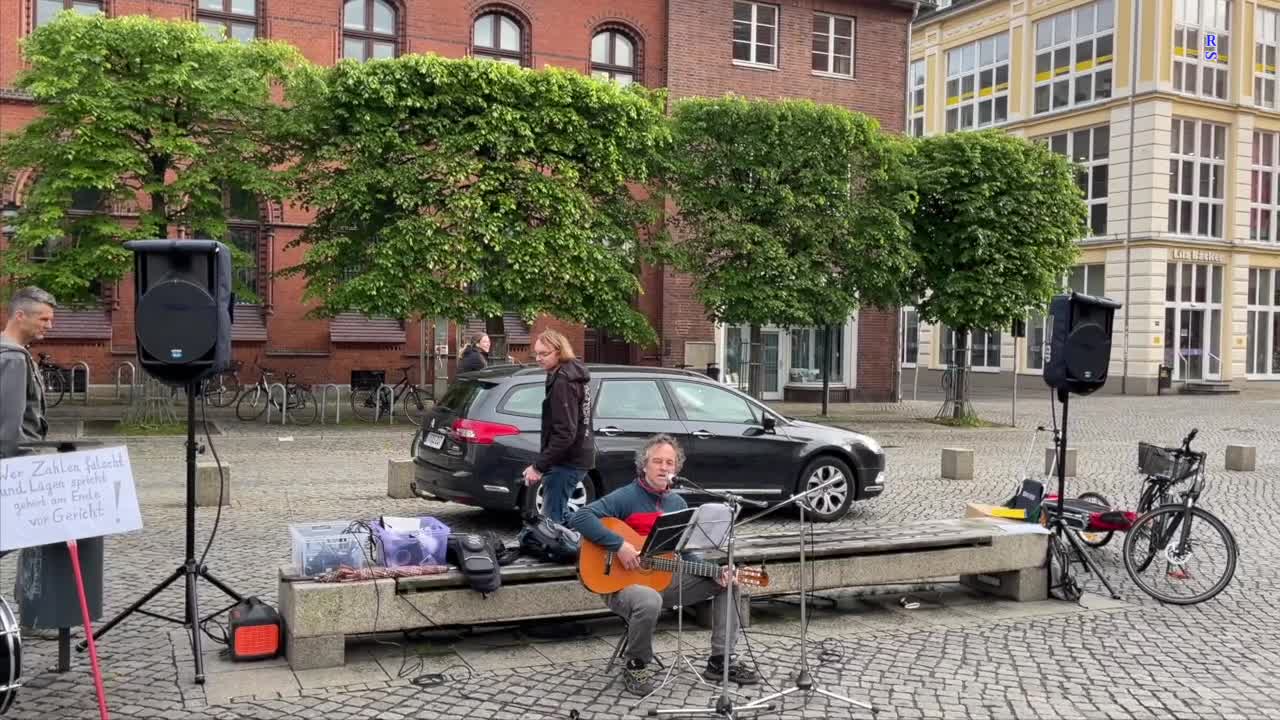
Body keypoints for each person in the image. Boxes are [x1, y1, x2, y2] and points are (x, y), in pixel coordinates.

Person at [569, 434, 758, 697]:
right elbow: (580, 516)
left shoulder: (677, 504)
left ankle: (720, 661)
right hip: (619, 584)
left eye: (669, 463)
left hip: (663, 579)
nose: (664, 467)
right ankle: (636, 664)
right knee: (649, 600)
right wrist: (619, 546)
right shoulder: (625, 497)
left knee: (728, 585)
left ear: (676, 470)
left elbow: (685, 554)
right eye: (657, 461)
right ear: (644, 465)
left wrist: (716, 571)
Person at [521, 329, 593, 524]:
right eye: (536, 353)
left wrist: (538, 467)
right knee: (559, 515)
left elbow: (565, 433)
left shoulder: (564, 380)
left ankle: (566, 550)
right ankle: (585, 541)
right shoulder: (570, 373)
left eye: (544, 354)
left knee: (552, 520)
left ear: (559, 352)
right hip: (576, 456)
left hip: (567, 461)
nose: (538, 358)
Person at [0, 286, 55, 460]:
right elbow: (9, 431)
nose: (49, 326)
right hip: (17, 466)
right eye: (43, 319)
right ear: (20, 316)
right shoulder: (13, 358)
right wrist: (32, 468)